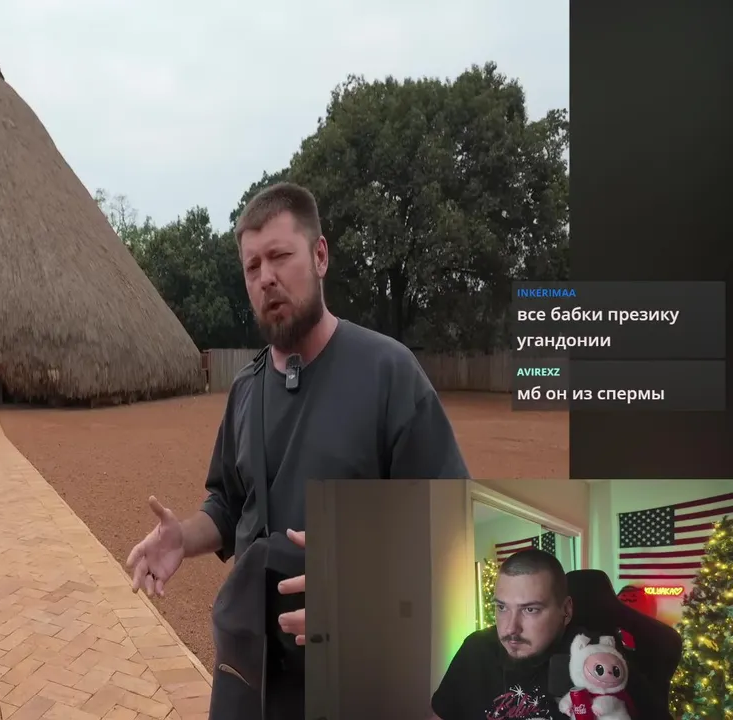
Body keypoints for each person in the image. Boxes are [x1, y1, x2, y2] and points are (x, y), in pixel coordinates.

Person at [125, 182, 470, 720]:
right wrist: (182, 539)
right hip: (248, 673)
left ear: (320, 256)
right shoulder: (245, 389)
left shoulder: (389, 373)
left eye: (280, 256)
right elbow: (229, 503)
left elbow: (453, 524)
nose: (266, 277)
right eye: (252, 266)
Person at [428, 549, 665, 720]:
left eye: (530, 610)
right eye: (502, 607)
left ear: (566, 610)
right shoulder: (476, 649)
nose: (510, 628)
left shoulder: (599, 658)